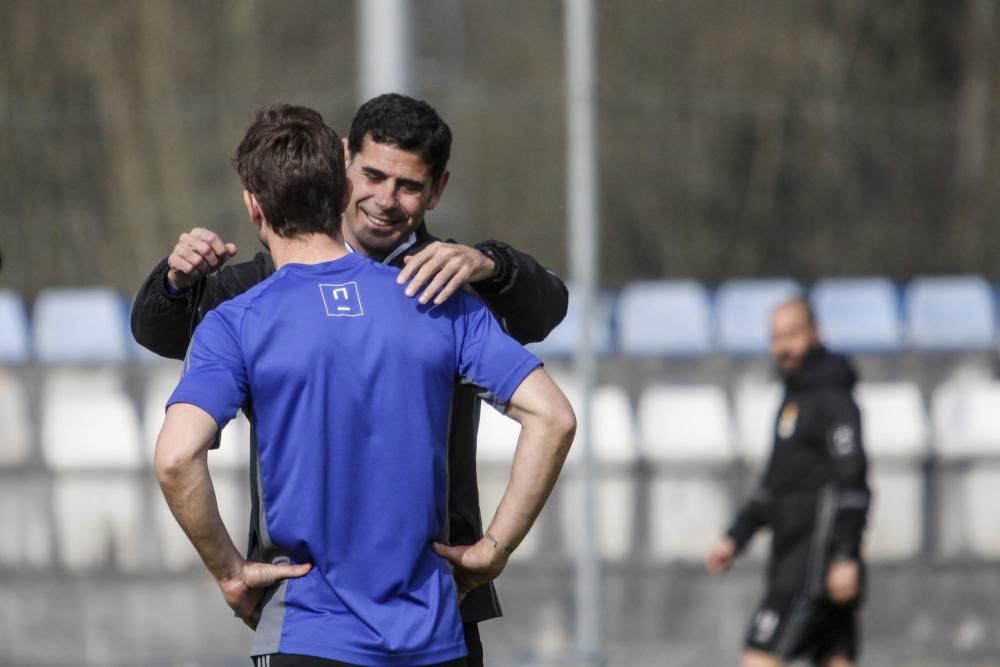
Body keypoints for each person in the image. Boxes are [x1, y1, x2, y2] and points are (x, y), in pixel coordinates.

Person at [132, 93, 568, 666]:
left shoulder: (448, 282)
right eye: (373, 176)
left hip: (409, 605)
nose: (385, 200)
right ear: (343, 172)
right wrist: (175, 278)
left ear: (437, 190)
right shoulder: (256, 292)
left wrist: (493, 263)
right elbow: (159, 327)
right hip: (402, 617)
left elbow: (548, 307)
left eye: (408, 186)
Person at [705, 297, 871, 667]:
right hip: (795, 561)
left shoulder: (833, 398)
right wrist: (736, 537)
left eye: (792, 335)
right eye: (776, 338)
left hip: (812, 569)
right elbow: (776, 485)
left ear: (816, 334)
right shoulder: (793, 397)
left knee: (759, 658)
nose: (783, 348)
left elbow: (853, 483)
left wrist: (845, 555)